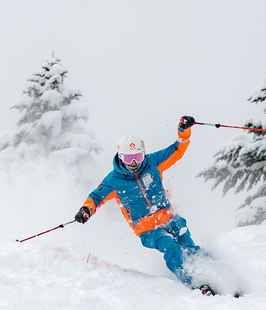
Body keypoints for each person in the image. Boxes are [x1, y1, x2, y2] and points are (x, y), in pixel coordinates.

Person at [74, 115, 212, 292]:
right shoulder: (114, 181)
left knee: (189, 247)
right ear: (120, 156)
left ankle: (217, 272)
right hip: (147, 229)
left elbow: (177, 150)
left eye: (138, 157)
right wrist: (86, 209)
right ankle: (193, 283)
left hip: (168, 217)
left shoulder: (153, 163)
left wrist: (184, 130)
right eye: (129, 158)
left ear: (144, 154)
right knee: (171, 246)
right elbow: (97, 196)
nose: (134, 163)